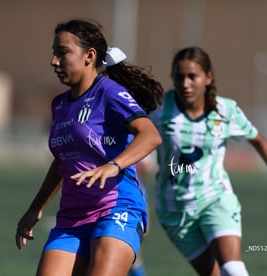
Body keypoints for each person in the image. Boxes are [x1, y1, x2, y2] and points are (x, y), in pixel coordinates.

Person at [15, 19, 164, 276]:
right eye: (53, 53)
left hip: (117, 209)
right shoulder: (59, 104)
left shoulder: (109, 93)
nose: (54, 61)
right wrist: (35, 208)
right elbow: (62, 162)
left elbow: (150, 135)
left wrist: (113, 165)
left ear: (89, 56)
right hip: (73, 218)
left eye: (62, 53)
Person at [152, 46, 267, 275]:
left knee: (232, 266)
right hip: (174, 208)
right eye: (179, 77)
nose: (186, 83)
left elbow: (257, 139)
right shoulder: (159, 110)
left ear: (208, 78)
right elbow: (134, 135)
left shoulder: (225, 110)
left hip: (215, 198)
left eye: (193, 76)